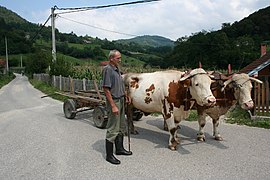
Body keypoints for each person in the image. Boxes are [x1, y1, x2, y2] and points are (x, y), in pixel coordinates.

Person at [102, 49, 132, 165]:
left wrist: (126, 95)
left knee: (121, 126)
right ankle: (109, 155)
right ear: (111, 58)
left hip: (121, 99)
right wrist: (113, 106)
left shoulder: (117, 69)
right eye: (118, 58)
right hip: (114, 101)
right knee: (113, 128)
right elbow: (106, 89)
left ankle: (119, 149)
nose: (120, 60)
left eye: (120, 57)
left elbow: (120, 84)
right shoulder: (108, 70)